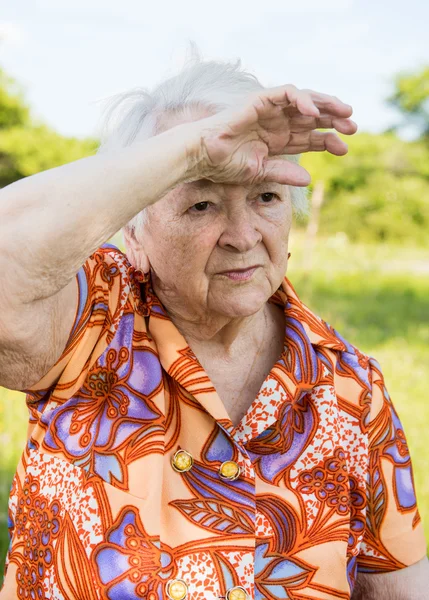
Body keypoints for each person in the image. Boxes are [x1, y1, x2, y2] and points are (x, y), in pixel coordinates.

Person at [0, 48, 427, 600]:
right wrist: (190, 149)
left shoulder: (352, 389)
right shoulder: (92, 322)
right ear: (134, 232)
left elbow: (397, 585)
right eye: (201, 203)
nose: (243, 235)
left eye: (265, 196)